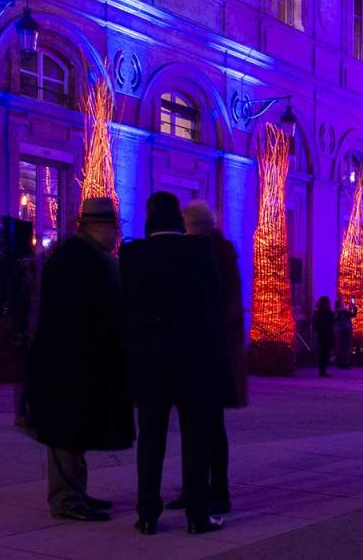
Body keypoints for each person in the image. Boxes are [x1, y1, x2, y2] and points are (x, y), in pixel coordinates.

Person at [120, 192, 230, 535]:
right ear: (177, 220)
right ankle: (197, 515)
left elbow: (127, 310)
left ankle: (147, 514)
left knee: (151, 436)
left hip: (150, 362)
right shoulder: (198, 251)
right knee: (195, 437)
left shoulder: (133, 253)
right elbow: (215, 303)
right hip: (192, 360)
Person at [24, 199, 133, 522]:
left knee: (75, 428)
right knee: (66, 431)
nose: (116, 236)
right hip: (69, 361)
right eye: (113, 229)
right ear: (96, 228)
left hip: (72, 359)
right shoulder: (81, 260)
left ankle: (75, 493)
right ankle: (66, 500)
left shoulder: (81, 256)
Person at [164, 202, 243, 516]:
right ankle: (197, 487)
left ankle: (217, 490)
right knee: (198, 425)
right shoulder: (208, 251)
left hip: (210, 352)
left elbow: (224, 306)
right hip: (205, 351)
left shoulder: (216, 254)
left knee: (209, 425)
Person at [312, 296, 335, 377]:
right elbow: (333, 322)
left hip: (323, 335)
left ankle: (322, 370)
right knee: (324, 353)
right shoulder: (327, 313)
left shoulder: (318, 313)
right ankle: (322, 371)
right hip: (325, 335)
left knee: (324, 353)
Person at [335, 299, 356, 368]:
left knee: (343, 347)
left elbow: (352, 315)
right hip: (345, 331)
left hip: (342, 331)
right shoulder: (342, 312)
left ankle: (342, 362)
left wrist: (352, 308)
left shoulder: (338, 312)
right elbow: (352, 315)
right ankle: (344, 362)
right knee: (345, 347)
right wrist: (353, 308)